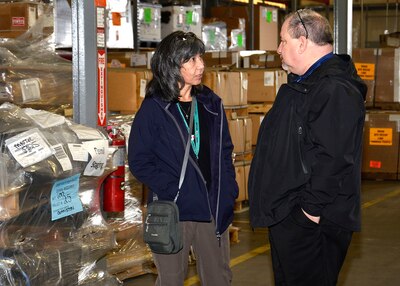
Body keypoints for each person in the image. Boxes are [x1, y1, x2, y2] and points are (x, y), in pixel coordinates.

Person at [248, 9, 367, 286]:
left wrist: (308, 213)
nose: (278, 49)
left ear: (302, 42)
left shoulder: (334, 89)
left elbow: (335, 158)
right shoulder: (303, 85)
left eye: (283, 41)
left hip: (311, 221)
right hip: (291, 215)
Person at [128, 30, 238, 286]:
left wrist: (229, 191)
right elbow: (139, 160)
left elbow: (224, 152)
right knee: (172, 280)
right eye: (191, 60)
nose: (200, 65)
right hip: (174, 211)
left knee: (219, 278)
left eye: (200, 58)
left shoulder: (211, 103)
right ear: (171, 64)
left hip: (212, 208)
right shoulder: (155, 108)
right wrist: (173, 191)